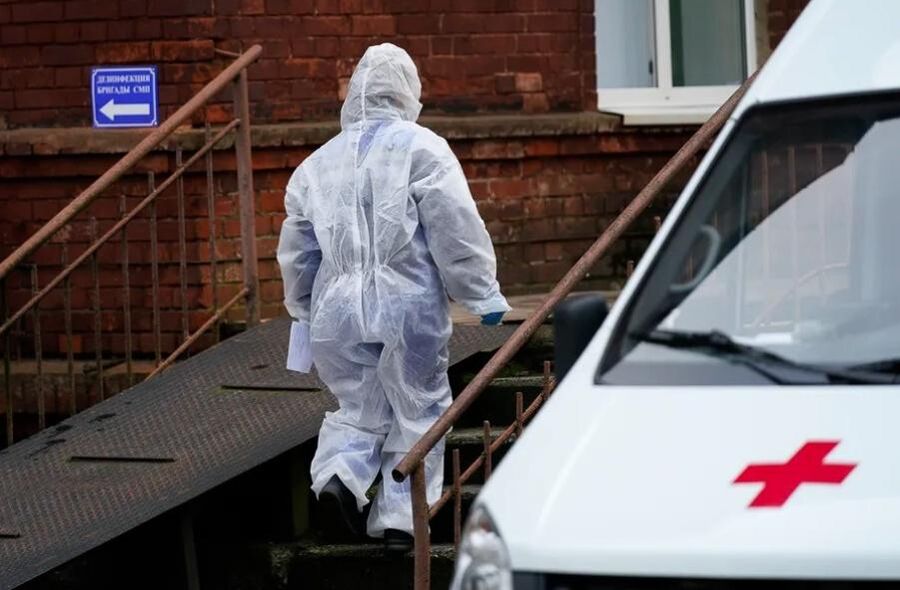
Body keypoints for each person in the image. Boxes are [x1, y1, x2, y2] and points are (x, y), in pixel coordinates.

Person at [277, 43, 510, 551]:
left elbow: (297, 253)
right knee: (419, 407)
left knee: (357, 406)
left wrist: (302, 310)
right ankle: (402, 521)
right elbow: (455, 229)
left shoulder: (315, 165)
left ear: (355, 93)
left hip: (336, 311)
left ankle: (339, 478)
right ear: (408, 91)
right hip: (409, 306)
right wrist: (482, 294)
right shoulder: (423, 149)